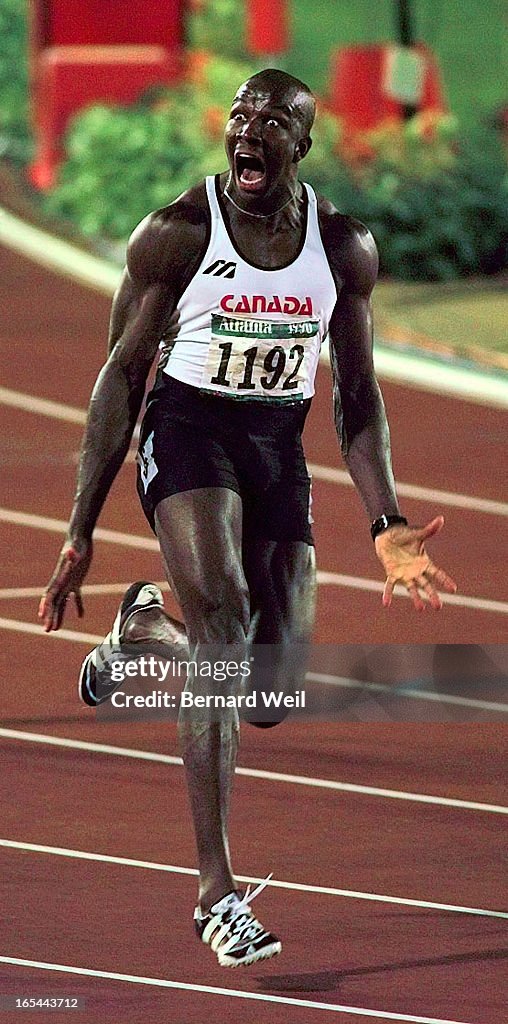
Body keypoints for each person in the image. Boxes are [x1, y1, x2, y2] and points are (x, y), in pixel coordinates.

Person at [39, 69, 457, 967]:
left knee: (267, 690)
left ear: (301, 144)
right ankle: (215, 892)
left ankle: (147, 637)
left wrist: (387, 522)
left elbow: (358, 393)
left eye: (272, 120)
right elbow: (120, 377)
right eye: (238, 114)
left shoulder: (342, 249)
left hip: (275, 448)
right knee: (226, 626)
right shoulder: (181, 234)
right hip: (189, 435)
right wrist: (80, 528)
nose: (248, 129)